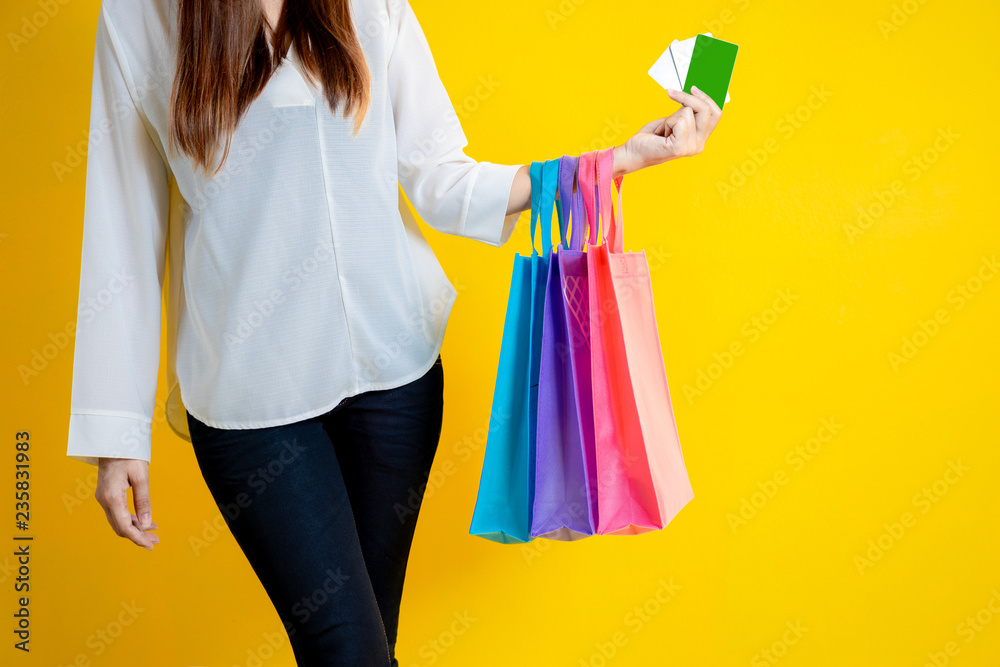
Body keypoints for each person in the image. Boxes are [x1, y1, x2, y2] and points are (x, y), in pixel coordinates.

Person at [66, 0, 723, 664]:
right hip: (251, 402)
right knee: (348, 652)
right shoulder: (137, 17)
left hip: (395, 381)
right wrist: (114, 428)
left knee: (373, 643)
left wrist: (617, 163)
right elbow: (121, 219)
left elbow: (443, 177)